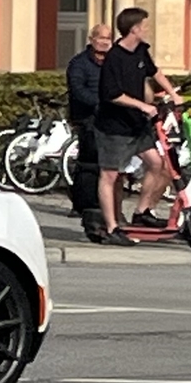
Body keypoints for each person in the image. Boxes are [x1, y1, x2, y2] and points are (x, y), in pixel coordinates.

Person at [93, 5, 175, 244]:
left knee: (157, 163)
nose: (148, 29)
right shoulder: (114, 58)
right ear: (134, 29)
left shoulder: (141, 50)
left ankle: (142, 212)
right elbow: (112, 94)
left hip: (136, 126)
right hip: (113, 127)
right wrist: (142, 106)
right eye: (145, 25)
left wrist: (172, 93)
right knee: (109, 175)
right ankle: (112, 227)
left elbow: (155, 72)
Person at [65, 22, 111, 233]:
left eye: (107, 39)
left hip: (109, 118)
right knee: (88, 163)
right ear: (91, 40)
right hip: (87, 118)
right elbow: (78, 90)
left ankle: (101, 202)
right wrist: (100, 103)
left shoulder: (112, 63)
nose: (104, 42)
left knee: (106, 164)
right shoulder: (79, 63)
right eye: (100, 38)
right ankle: (83, 204)